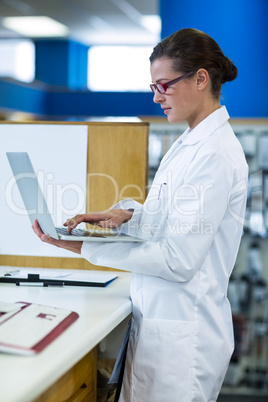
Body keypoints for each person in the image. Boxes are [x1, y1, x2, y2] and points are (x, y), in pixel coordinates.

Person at [33, 28, 248, 402]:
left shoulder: (213, 154)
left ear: (201, 79)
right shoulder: (188, 143)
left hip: (183, 342)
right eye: (153, 86)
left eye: (164, 85)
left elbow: (179, 258)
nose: (156, 96)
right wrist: (124, 216)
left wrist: (86, 248)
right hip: (161, 328)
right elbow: (172, 220)